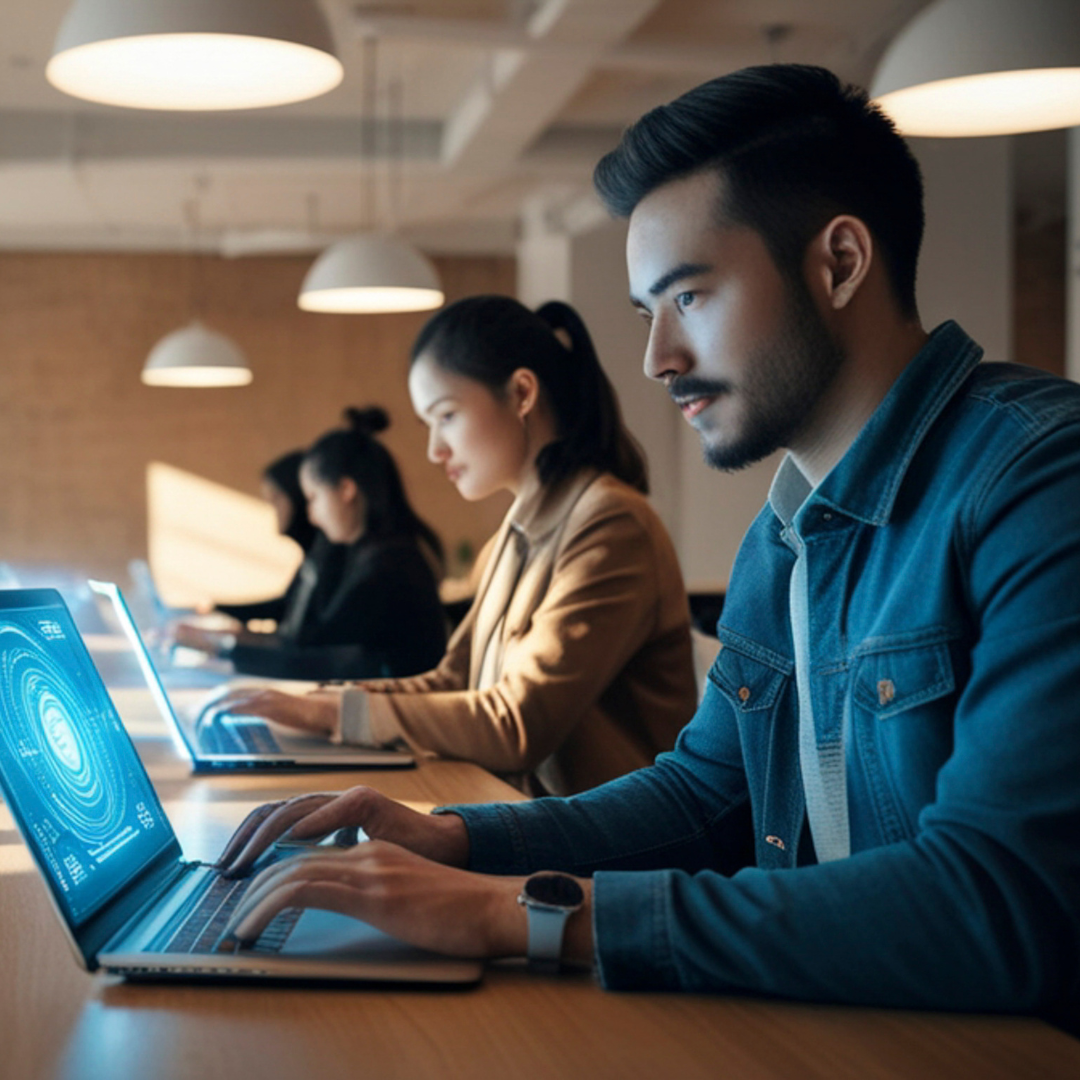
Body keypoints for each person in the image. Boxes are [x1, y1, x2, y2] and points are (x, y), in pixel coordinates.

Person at [216, 64, 1080, 1022]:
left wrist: (527, 915)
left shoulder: (1041, 479)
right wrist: (455, 841)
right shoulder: (786, 528)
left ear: (839, 263)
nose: (657, 360)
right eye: (646, 314)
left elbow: (999, 904)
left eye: (690, 299)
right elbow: (704, 794)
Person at [217, 297, 697, 796]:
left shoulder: (611, 524)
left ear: (521, 394)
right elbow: (455, 680)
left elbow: (516, 725)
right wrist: (327, 703)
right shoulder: (512, 535)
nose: (434, 450)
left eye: (445, 416)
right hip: (522, 815)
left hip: (604, 854)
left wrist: (336, 714)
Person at [182, 408, 448, 680]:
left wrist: (220, 649)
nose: (311, 515)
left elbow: (315, 650)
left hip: (395, 714)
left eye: (313, 498)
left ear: (346, 490)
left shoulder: (388, 566)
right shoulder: (381, 553)